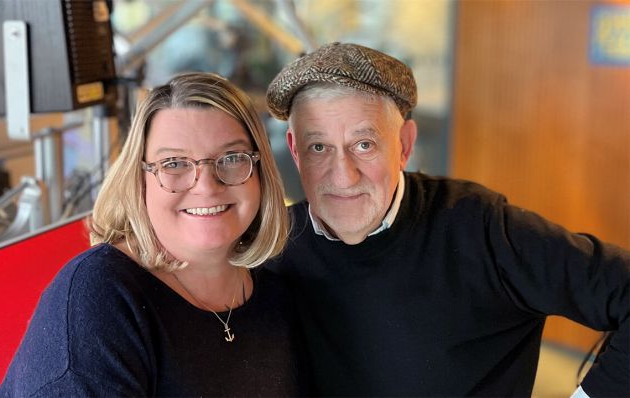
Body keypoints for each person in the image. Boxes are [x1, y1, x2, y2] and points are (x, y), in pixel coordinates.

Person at [265, 42, 629, 397]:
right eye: (319, 147)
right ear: (295, 150)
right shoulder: (274, 247)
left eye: (364, 145)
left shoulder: (478, 229)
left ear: (404, 145)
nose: (343, 176)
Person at [0, 72, 305, 396]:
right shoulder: (100, 295)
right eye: (174, 163)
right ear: (139, 179)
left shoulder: (275, 290)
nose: (206, 185)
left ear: (259, 171)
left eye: (230, 158)